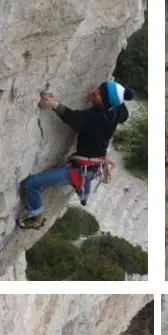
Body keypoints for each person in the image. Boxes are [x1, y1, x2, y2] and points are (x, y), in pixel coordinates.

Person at [18, 79, 134, 229]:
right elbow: (121, 107)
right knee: (82, 179)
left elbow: (75, 119)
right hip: (93, 163)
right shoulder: (118, 112)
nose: (94, 92)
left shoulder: (96, 116)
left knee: (31, 184)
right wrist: (114, 89)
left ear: (105, 103)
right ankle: (83, 192)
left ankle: (38, 220)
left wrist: (54, 105)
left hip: (79, 170)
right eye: (98, 88)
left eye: (98, 94)